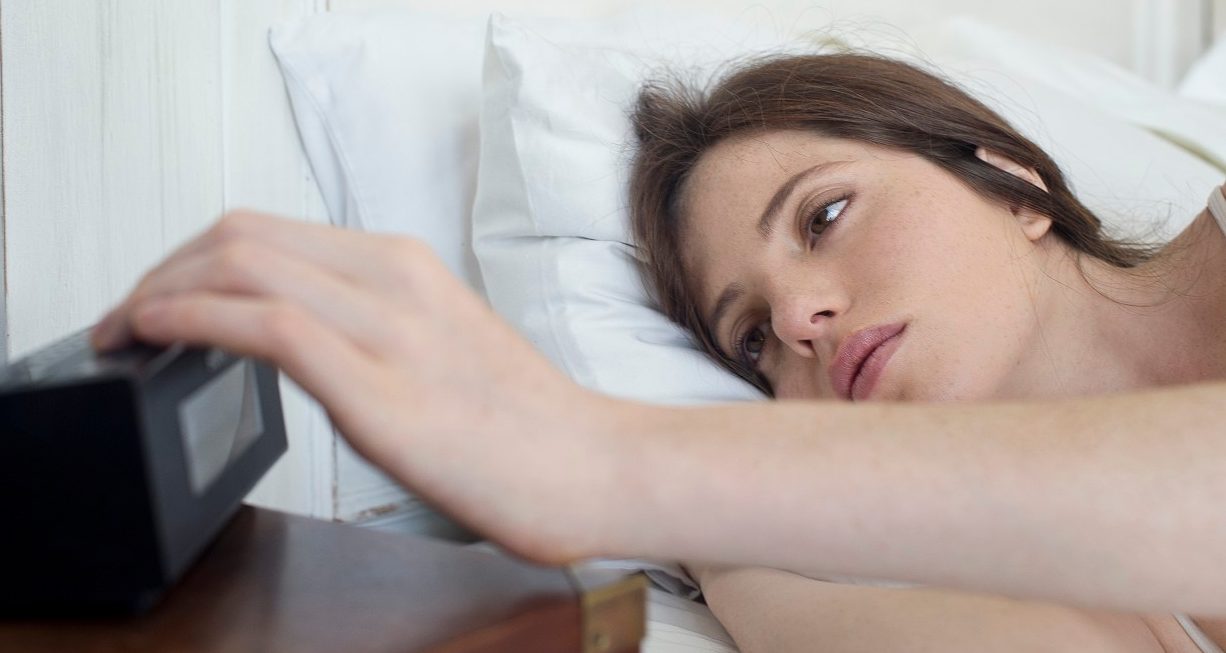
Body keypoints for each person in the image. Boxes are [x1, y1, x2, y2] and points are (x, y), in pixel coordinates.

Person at [88, 52, 1225, 651]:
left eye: (823, 215)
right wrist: (729, 552)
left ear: (1012, 180)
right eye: (746, 340)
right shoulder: (1051, 577)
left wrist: (607, 460)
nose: (795, 325)